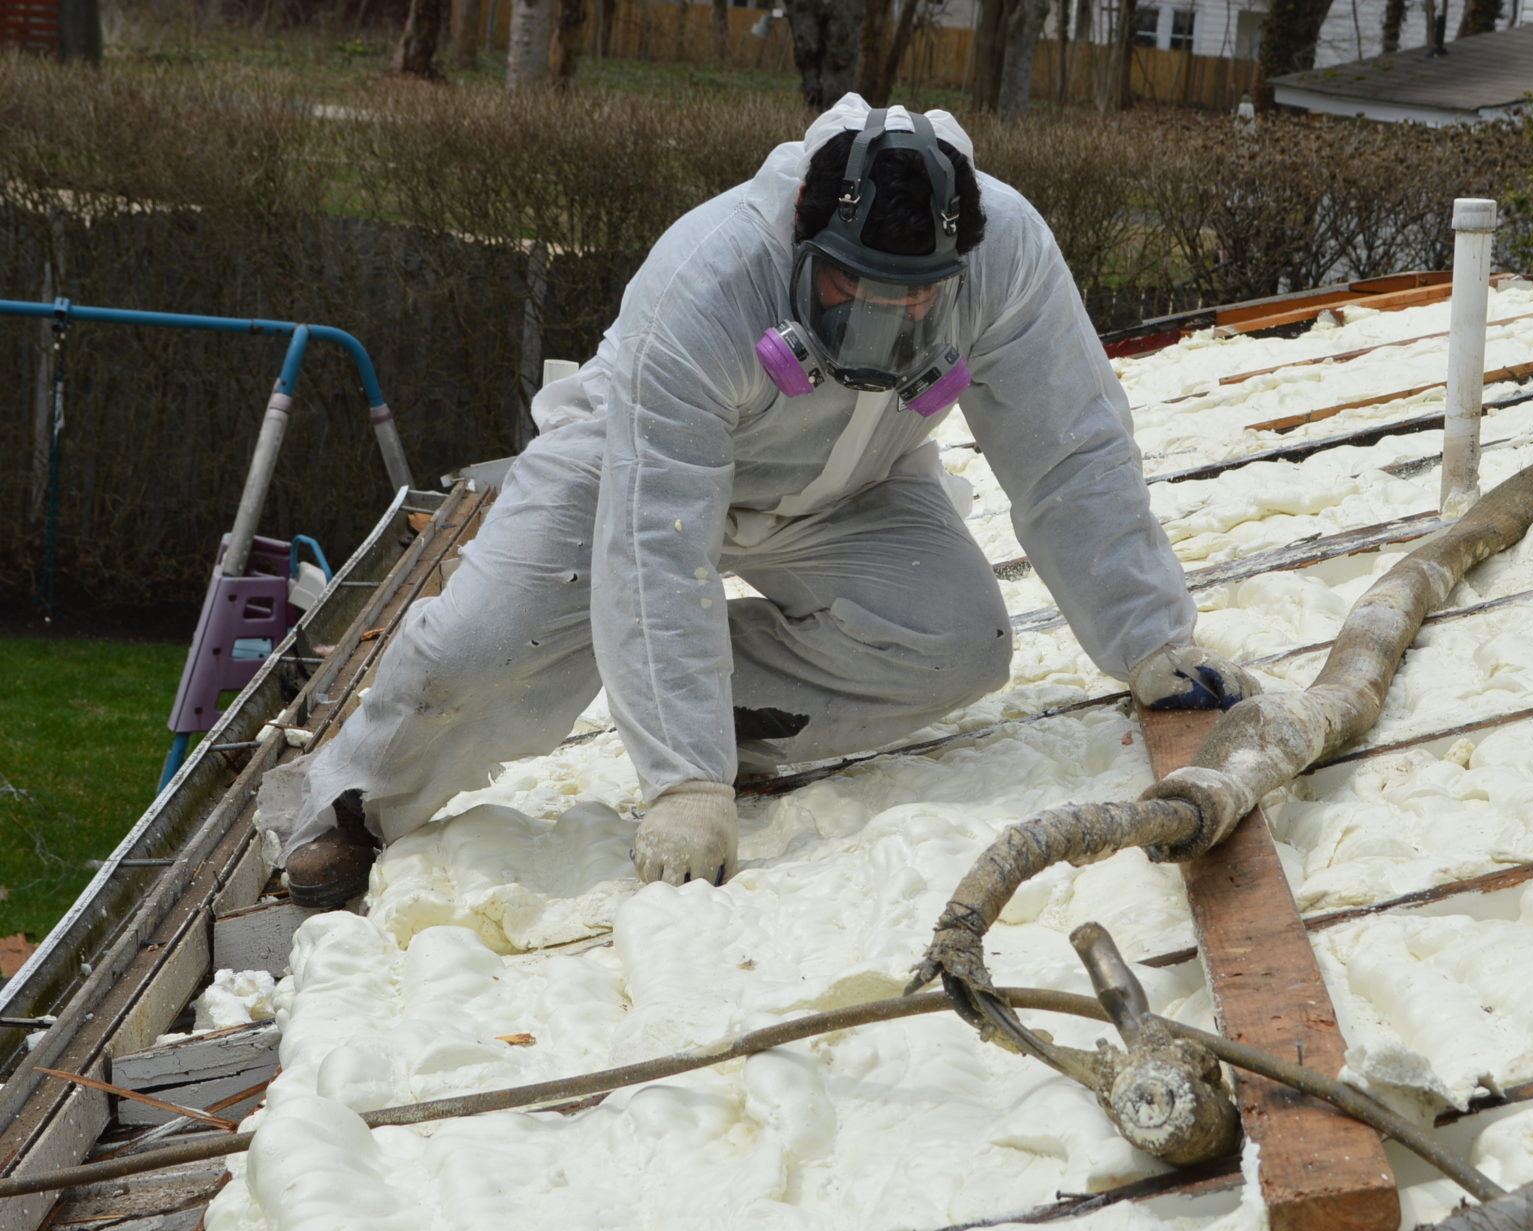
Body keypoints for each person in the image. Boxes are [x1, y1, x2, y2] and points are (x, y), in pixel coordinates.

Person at [271, 95, 1258, 908]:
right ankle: (356, 808)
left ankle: (713, 715)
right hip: (628, 463)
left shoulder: (1006, 253)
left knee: (957, 648)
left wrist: (1146, 637)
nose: (888, 316)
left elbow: (1071, 448)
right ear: (803, 238)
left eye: (917, 296)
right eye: (857, 285)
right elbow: (659, 539)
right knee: (478, 651)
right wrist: (682, 786)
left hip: (858, 475)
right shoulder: (710, 276)